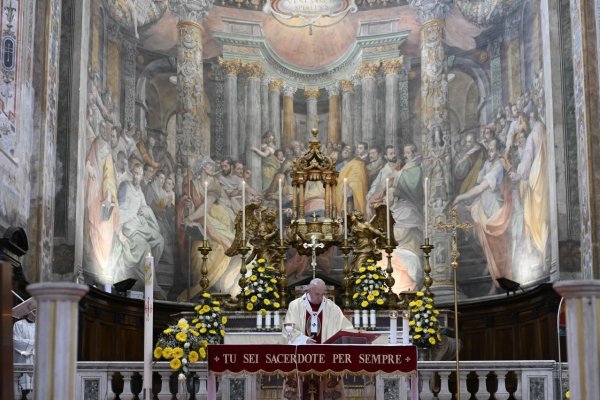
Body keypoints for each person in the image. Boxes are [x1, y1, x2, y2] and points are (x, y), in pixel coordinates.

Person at [282, 278, 353, 399]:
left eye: (322, 294)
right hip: (301, 357)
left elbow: (346, 329)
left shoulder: (332, 308)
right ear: (308, 291)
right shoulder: (295, 305)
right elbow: (288, 329)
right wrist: (304, 340)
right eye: (317, 294)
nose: (320, 297)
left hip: (326, 358)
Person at [13, 311, 36, 400]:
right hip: (23, 359)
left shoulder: (41, 325)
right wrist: (33, 344)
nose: (36, 313)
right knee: (23, 391)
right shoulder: (19, 324)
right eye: (34, 311)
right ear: (29, 312)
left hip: (36, 359)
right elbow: (17, 341)